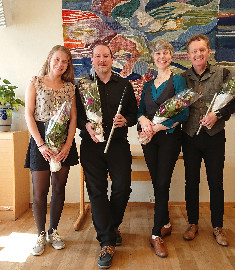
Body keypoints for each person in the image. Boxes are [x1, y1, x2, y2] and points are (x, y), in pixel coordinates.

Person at [75, 43, 138, 269]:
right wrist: (86, 125)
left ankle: (111, 225)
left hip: (118, 143)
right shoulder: (82, 85)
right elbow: (77, 115)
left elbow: (133, 112)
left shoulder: (124, 85)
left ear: (112, 59)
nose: (102, 60)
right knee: (97, 191)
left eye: (106, 56)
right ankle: (107, 241)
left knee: (123, 186)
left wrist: (126, 121)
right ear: (92, 60)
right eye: (97, 56)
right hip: (91, 146)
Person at [181, 34, 235, 246]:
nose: (198, 54)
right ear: (189, 55)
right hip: (189, 137)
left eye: (202, 50)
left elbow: (234, 103)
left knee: (216, 182)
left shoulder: (222, 74)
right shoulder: (182, 77)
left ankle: (217, 226)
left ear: (209, 52)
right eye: (194, 51)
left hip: (215, 137)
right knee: (191, 182)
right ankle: (193, 223)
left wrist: (218, 115)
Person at [24, 45, 79, 255]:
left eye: (65, 61)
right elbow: (29, 114)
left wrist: (67, 145)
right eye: (57, 60)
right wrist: (41, 144)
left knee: (58, 188)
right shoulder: (35, 82)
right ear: (49, 59)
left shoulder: (69, 87)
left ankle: (53, 231)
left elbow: (73, 118)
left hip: (63, 139)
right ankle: (39, 235)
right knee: (39, 192)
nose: (60, 64)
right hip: (40, 139)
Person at [137, 39, 189, 258]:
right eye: (158, 53)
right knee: (157, 182)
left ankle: (156, 233)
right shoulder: (148, 84)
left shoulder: (178, 81)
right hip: (150, 141)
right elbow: (140, 110)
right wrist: (143, 122)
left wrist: (157, 126)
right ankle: (165, 222)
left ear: (172, 55)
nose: (162, 57)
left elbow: (184, 114)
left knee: (162, 182)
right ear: (153, 57)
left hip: (169, 138)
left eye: (166, 53)